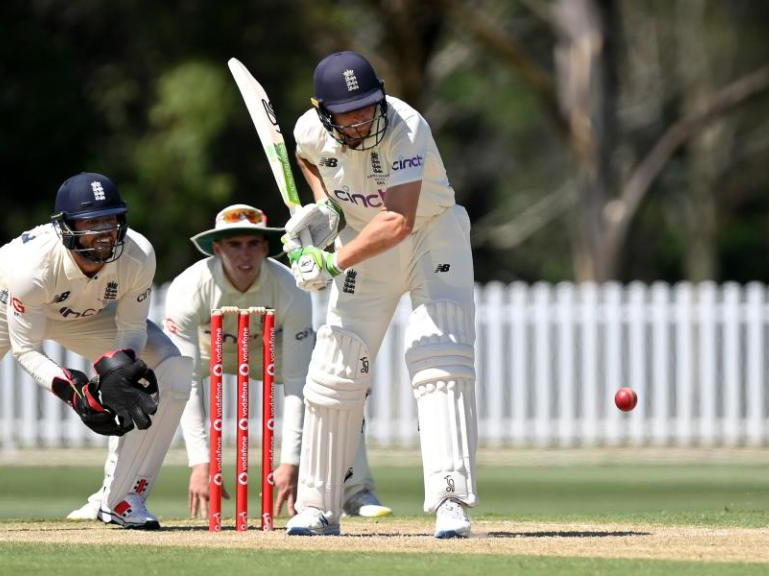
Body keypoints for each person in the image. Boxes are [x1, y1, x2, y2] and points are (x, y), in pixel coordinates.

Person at [0, 172, 193, 533]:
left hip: (89, 313)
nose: (104, 232)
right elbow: (26, 350)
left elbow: (130, 330)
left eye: (111, 219)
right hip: (6, 303)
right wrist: (75, 391)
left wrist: (119, 370)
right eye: (92, 222)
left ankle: (123, 497)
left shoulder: (138, 254)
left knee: (171, 367)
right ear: (66, 227)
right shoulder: (31, 265)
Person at [67, 203, 390, 522]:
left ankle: (356, 491)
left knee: (333, 384)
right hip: (208, 349)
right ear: (217, 249)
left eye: (253, 244)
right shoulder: (189, 286)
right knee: (137, 387)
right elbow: (187, 378)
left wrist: (290, 463)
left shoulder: (290, 286)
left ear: (266, 248)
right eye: (234, 244)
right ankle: (109, 495)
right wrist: (201, 464)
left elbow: (295, 381)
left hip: (267, 348)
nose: (244, 255)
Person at [282, 51, 478, 538]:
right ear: (324, 111)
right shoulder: (310, 128)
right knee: (336, 364)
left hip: (432, 234)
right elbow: (306, 156)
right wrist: (325, 210)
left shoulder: (405, 126)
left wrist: (329, 260)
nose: (361, 119)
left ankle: (451, 500)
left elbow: (398, 220)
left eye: (368, 106)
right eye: (348, 112)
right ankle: (316, 507)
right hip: (365, 240)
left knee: (440, 355)